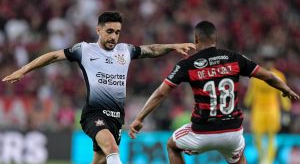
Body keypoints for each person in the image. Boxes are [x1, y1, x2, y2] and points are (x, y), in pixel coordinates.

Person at [2, 11, 195, 164]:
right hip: (94, 115)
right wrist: (23, 70)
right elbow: (53, 56)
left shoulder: (125, 50)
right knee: (112, 149)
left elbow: (151, 50)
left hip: (116, 118)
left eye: (117, 32)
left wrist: (173, 46)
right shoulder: (84, 50)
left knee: (101, 159)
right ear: (99, 31)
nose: (114, 37)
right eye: (109, 31)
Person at [129, 20, 299, 164]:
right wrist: (286, 88)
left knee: (171, 145)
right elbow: (268, 76)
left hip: (201, 133)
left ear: (196, 39)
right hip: (232, 132)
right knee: (239, 156)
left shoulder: (187, 64)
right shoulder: (234, 58)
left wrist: (139, 118)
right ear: (216, 38)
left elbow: (161, 93)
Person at [244, 54, 291, 164]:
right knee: (257, 137)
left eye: (271, 61)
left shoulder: (279, 75)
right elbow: (251, 93)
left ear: (274, 63)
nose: (269, 64)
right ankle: (262, 159)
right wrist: (246, 106)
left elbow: (283, 93)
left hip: (272, 110)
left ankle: (268, 161)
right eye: (267, 61)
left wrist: (286, 110)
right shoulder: (257, 76)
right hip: (258, 110)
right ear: (264, 62)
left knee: (271, 136)